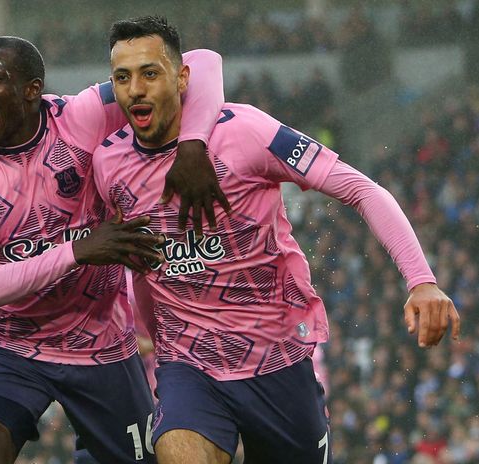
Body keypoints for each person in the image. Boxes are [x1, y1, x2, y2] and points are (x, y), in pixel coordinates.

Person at [92, 16, 461, 464]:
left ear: (182, 77)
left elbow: (363, 190)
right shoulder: (109, 162)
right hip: (188, 366)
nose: (135, 89)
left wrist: (420, 279)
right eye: (123, 78)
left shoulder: (246, 132)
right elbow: (142, 262)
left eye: (150, 73)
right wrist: (146, 332)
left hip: (279, 362)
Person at [0, 36, 225, 463]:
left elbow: (203, 62)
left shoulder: (81, 114)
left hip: (100, 341)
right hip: (8, 344)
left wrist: (192, 142)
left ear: (33, 89)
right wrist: (78, 251)